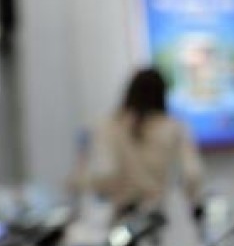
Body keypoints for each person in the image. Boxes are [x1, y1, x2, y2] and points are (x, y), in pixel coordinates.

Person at [88, 68, 205, 227]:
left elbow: (103, 174)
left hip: (122, 218)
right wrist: (194, 205)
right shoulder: (173, 127)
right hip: (158, 219)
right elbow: (192, 174)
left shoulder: (109, 125)